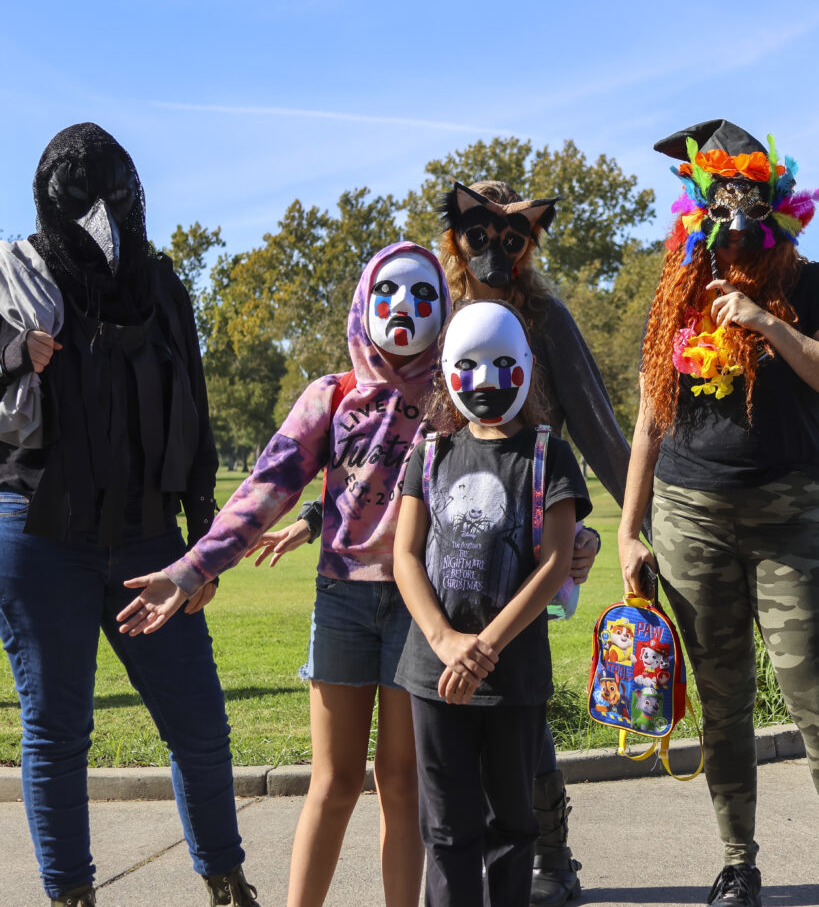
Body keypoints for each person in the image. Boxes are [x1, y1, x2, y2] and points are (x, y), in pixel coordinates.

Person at [269, 177, 631, 907]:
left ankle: (549, 857)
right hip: (438, 546)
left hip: (528, 528)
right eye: (479, 236)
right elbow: (386, 445)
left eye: (510, 238)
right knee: (444, 752)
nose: (494, 251)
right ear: (456, 237)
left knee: (518, 714)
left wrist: (617, 525)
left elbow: (594, 425)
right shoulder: (437, 315)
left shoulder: (543, 319)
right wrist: (318, 518)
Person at [116, 242, 451, 907]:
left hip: (422, 607)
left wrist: (572, 535)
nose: (404, 309)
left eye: (422, 295)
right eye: (389, 293)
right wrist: (190, 570)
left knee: (402, 782)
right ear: (363, 301)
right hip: (343, 605)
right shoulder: (333, 395)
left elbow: (503, 474)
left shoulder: (453, 394)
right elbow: (262, 492)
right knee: (332, 782)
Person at [0, 123, 258, 907]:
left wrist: (204, 546)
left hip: (149, 534)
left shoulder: (160, 281)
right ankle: (70, 896)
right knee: (56, 732)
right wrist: (16, 352)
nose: (100, 211)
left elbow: (198, 409)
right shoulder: (18, 273)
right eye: (80, 196)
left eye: (111, 192)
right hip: (40, 531)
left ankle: (225, 881)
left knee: (201, 726)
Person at [617, 119, 819, 907]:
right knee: (722, 700)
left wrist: (768, 323)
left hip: (789, 514)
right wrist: (630, 529)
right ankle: (738, 861)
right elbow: (647, 416)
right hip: (689, 513)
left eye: (748, 210)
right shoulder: (676, 288)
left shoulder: (805, 285)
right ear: (698, 210)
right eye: (718, 209)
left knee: (813, 695)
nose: (732, 229)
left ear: (773, 210)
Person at [393, 299, 591, 907]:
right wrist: (447, 642)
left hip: (514, 679)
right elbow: (404, 555)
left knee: (512, 826)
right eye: (470, 365)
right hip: (435, 678)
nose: (486, 382)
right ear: (448, 369)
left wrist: (485, 647)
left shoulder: (547, 454)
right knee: (447, 829)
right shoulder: (429, 454)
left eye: (503, 364)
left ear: (527, 367)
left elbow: (556, 559)